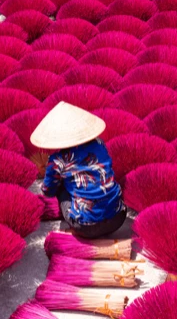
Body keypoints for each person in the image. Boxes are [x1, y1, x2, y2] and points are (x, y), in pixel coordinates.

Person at [31, 102, 126, 239]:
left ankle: (78, 220)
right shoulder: (100, 144)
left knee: (61, 187)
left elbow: (48, 191)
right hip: (118, 217)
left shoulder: (57, 160)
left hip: (85, 226)